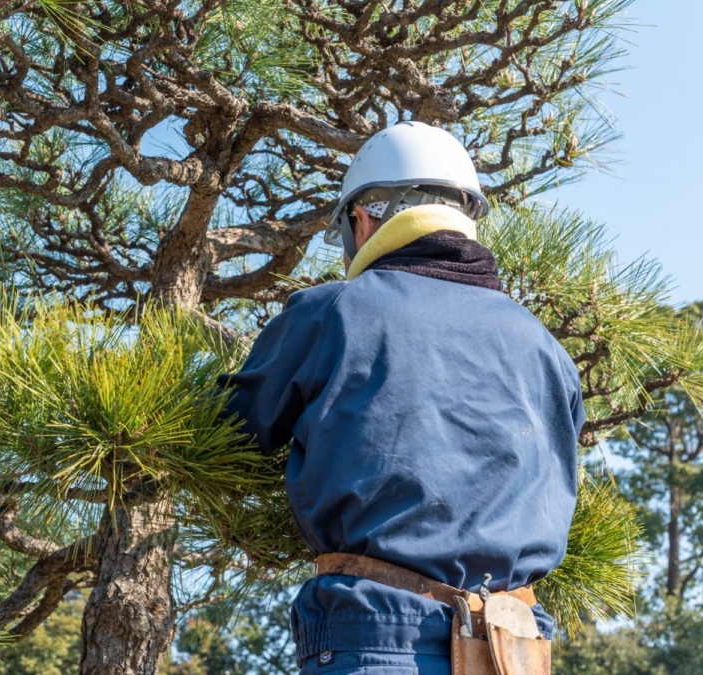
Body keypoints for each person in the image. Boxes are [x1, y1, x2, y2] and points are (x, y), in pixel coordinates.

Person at [215, 121, 585, 675]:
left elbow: (225, 433)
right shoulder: (546, 347)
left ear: (362, 219)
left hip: (381, 639)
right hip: (516, 648)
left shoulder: (332, 311)